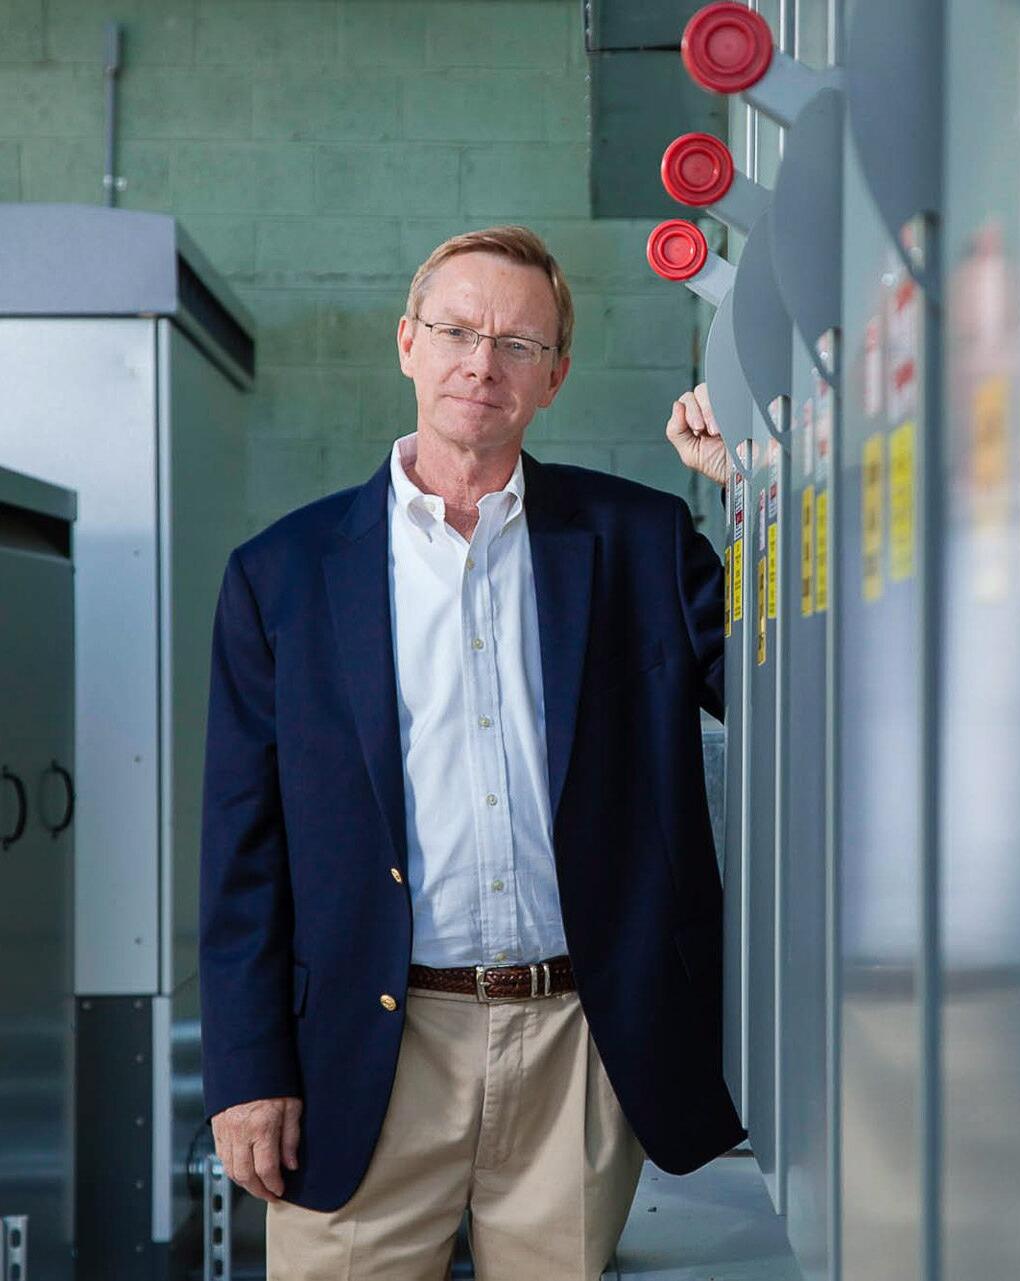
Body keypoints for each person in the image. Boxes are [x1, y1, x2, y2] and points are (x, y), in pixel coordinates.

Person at [200, 224, 737, 1279]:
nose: (481, 363)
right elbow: (241, 846)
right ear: (408, 344)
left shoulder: (639, 542)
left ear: (555, 378)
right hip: (365, 1046)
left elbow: (781, 686)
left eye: (518, 345)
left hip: (576, 1040)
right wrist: (247, 1069)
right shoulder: (286, 574)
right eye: (455, 331)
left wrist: (753, 487)